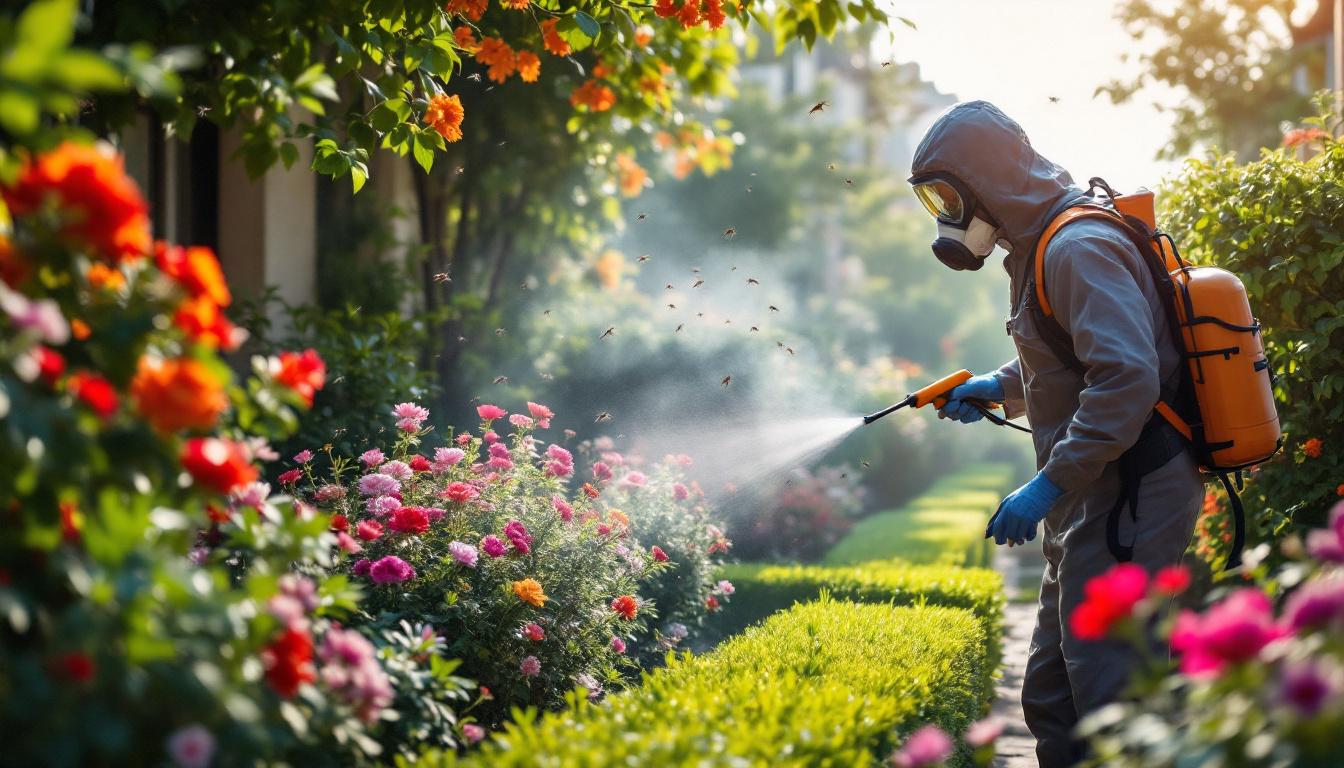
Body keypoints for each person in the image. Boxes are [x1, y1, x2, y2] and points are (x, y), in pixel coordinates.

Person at [907, 101, 1202, 767]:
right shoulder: (1043, 245)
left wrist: (1046, 485)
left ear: (989, 182)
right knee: (1050, 693)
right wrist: (998, 384)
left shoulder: (1076, 247)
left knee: (1111, 701)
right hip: (1093, 500)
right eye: (933, 199)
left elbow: (1127, 381)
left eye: (948, 193)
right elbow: (1070, 356)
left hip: (1130, 495)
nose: (946, 215)